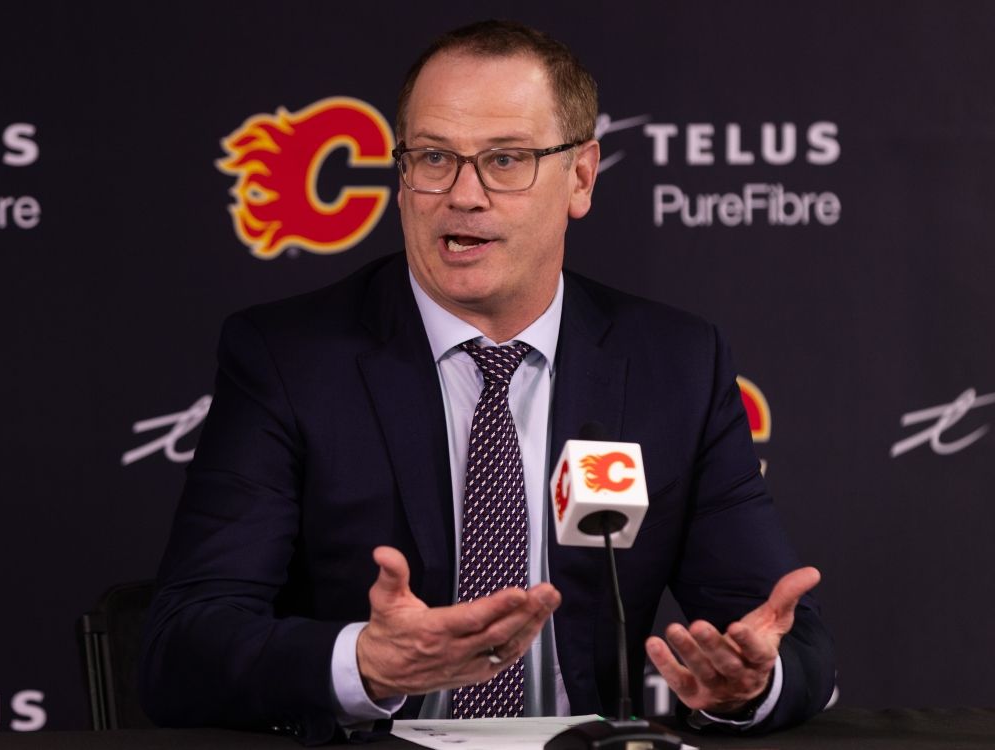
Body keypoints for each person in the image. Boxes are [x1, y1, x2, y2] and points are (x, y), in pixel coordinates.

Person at [139, 19, 835, 745]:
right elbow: (182, 647)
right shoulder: (288, 359)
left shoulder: (676, 366)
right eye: (434, 157)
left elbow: (787, 638)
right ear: (402, 174)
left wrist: (749, 682)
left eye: (506, 160)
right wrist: (365, 667)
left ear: (582, 176)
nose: (463, 195)